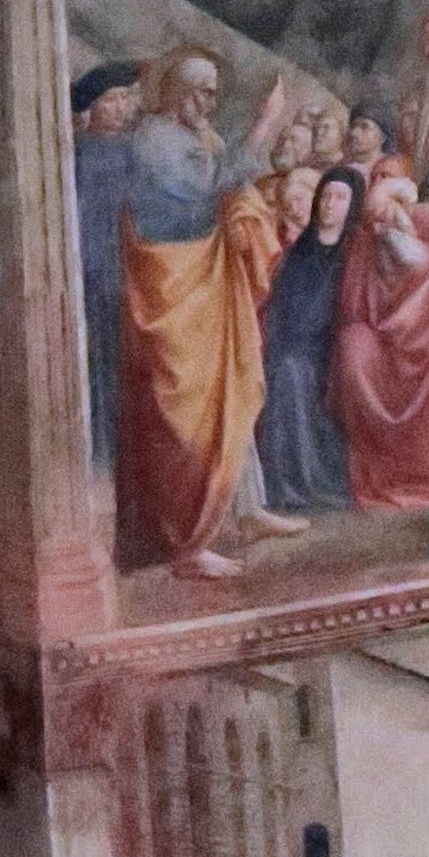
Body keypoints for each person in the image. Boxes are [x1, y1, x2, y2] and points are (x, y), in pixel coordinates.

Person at [114, 48, 292, 575]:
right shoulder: (154, 143)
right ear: (173, 92)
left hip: (206, 279)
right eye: (199, 90)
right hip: (172, 286)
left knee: (229, 395)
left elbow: (225, 183)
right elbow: (203, 192)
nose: (208, 101)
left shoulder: (197, 137)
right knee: (188, 411)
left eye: (214, 92)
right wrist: (261, 130)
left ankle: (245, 508)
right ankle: (187, 546)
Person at [332, 159, 429, 510]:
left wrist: (392, 220)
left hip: (420, 337)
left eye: (388, 177)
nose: (379, 183)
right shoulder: (364, 237)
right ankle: (376, 467)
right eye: (375, 178)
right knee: (354, 353)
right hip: (377, 338)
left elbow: (418, 264)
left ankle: (421, 473)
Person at [254, 165, 363, 518]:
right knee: (279, 369)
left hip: (330, 349)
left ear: (353, 204)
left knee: (291, 373)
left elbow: (354, 305)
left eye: (340, 198)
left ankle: (312, 482)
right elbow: (280, 307)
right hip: (291, 345)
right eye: (326, 196)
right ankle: (283, 486)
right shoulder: (298, 252)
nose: (330, 205)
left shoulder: (356, 251)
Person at [69, 69, 143, 476]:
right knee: (95, 359)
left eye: (124, 99)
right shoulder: (78, 152)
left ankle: (126, 447)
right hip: (93, 268)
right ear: (91, 108)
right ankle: (99, 448)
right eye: (111, 100)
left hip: (129, 267)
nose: (121, 108)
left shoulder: (135, 151)